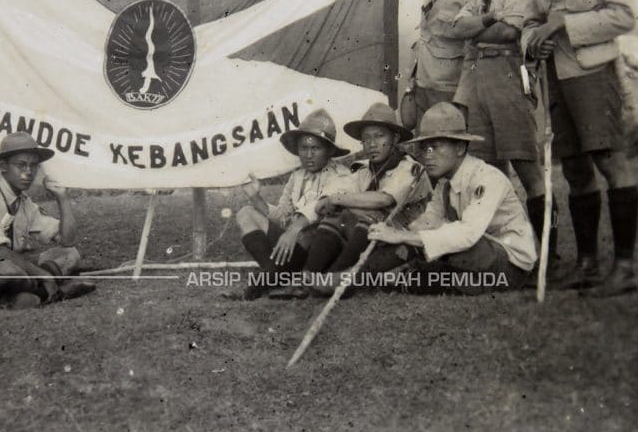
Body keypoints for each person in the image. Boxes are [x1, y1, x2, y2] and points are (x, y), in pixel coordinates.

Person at [523, 0, 638, 296]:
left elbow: (624, 16)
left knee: (610, 162)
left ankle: (624, 267)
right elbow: (532, 21)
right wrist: (533, 41)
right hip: (555, 78)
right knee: (574, 170)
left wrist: (564, 25)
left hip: (593, 72)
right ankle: (587, 263)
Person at [449, 0, 553, 267]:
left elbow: (509, 32)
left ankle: (548, 255)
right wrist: (490, 17)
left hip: (510, 73)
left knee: (526, 166)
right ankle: (503, 252)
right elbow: (457, 28)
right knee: (487, 170)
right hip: (478, 77)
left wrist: (479, 26)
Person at [361, 103, 536, 295]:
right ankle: (364, 277)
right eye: (424, 148)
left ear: (460, 148)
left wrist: (403, 237)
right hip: (476, 257)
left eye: (435, 147)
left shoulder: (487, 178)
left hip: (509, 264)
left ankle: (438, 281)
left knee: (449, 246)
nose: (427, 155)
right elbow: (429, 221)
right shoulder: (445, 184)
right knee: (427, 251)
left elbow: (468, 234)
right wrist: (394, 234)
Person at [269, 103, 430, 298]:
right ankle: (307, 279)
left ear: (395, 138)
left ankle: (330, 281)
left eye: (379, 136)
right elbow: (330, 197)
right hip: (374, 238)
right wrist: (330, 201)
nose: (372, 144)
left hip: (406, 241)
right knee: (337, 215)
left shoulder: (410, 168)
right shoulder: (363, 172)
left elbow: (383, 200)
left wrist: (339, 200)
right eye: (366, 138)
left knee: (366, 215)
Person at [0, 132, 95, 308]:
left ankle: (20, 296)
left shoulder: (24, 203)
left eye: (33, 165)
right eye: (21, 165)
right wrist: (43, 274)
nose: (28, 172)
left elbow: (67, 241)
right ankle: (51, 291)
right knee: (7, 269)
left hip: (10, 269)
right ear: (3, 166)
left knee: (70, 254)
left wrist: (63, 198)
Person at [226, 109, 351, 300]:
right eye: (303, 148)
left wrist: (293, 230)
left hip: (322, 251)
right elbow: (282, 215)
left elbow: (322, 207)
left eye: (315, 148)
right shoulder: (298, 176)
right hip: (295, 246)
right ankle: (281, 279)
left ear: (330, 150)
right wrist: (255, 197)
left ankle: (255, 289)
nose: (309, 155)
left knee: (309, 232)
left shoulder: (341, 175)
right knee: (246, 213)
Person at [397, 0, 480, 129]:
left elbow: (473, 53)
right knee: (422, 140)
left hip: (448, 89)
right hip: (421, 84)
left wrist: (462, 99)